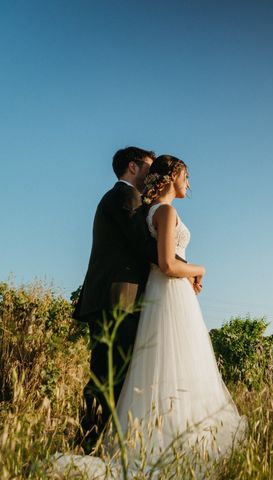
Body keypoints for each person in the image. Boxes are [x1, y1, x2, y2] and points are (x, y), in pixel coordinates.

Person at [113, 155, 246, 466]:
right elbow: (168, 263)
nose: (188, 184)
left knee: (172, 364)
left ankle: (169, 435)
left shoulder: (153, 211)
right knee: (179, 362)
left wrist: (188, 274)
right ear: (173, 175)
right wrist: (200, 269)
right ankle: (176, 443)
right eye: (186, 176)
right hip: (170, 293)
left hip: (169, 293)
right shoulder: (166, 211)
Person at [73, 146, 158, 452]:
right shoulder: (125, 196)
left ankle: (104, 444)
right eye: (149, 166)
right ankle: (89, 446)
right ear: (133, 167)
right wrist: (182, 268)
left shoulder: (126, 198)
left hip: (117, 300)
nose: (154, 172)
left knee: (114, 375)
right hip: (116, 301)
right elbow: (142, 245)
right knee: (108, 376)